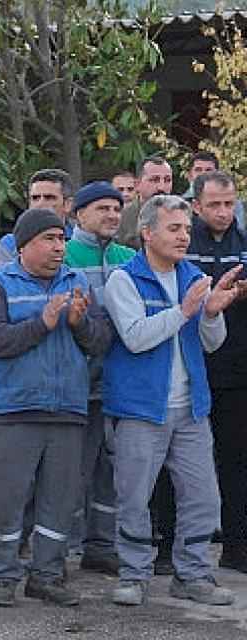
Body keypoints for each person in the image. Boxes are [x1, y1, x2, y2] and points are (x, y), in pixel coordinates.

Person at [102, 195, 239, 607]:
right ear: (147, 233)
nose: (184, 236)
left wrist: (212, 313)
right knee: (134, 495)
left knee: (203, 496)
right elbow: (136, 337)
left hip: (191, 408)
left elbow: (211, 345)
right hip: (141, 408)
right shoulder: (123, 280)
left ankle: (193, 574)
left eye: (185, 228)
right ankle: (134, 574)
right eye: (174, 228)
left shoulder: (192, 275)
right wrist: (185, 311)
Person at [0, 209, 113, 607]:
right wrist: (44, 322)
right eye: (49, 239)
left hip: (67, 409)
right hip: (14, 410)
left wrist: (79, 323)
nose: (59, 247)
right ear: (24, 246)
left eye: (62, 238)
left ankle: (47, 576)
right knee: (6, 499)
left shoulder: (76, 280)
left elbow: (100, 340)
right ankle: (1, 577)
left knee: (60, 500)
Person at [62, 182, 133, 576]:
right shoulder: (63, 253)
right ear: (79, 213)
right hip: (76, 383)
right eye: (102, 208)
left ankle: (101, 545)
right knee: (74, 469)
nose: (111, 215)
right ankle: (62, 545)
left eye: (116, 209)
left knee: (111, 470)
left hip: (119, 384)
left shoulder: (128, 256)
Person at [185, 171, 247, 574]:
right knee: (181, 463)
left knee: (236, 460)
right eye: (215, 205)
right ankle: (168, 546)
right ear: (196, 205)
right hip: (190, 368)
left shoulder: (244, 243)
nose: (224, 213)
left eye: (230, 204)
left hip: (237, 370)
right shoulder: (182, 240)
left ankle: (236, 546)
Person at [0, 169, 75, 266]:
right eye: (35, 198)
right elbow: (2, 280)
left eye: (49, 198)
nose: (40, 204)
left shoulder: (80, 241)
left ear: (68, 204)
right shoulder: (11, 243)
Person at [117, 156, 174, 249]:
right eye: (154, 180)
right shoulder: (122, 219)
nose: (161, 187)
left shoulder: (182, 215)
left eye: (168, 180)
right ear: (137, 184)